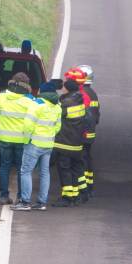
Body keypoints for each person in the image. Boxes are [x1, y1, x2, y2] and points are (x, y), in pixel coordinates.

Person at [11, 82, 63, 211]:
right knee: (45, 172)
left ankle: (25, 202)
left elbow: (28, 125)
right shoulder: (58, 107)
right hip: (48, 144)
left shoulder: (37, 105)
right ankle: (41, 202)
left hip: (34, 143)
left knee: (25, 171)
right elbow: (58, 127)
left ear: (42, 91)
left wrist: (27, 139)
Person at [0, 72, 34, 205]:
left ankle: (3, 196)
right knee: (21, 169)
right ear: (26, 84)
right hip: (21, 141)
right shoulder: (29, 101)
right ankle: (20, 197)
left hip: (5, 138)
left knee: (4, 167)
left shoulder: (2, 96)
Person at [52, 78, 88, 207]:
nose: (62, 89)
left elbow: (54, 116)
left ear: (67, 89)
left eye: (64, 87)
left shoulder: (66, 103)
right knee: (76, 169)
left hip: (65, 143)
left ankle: (67, 197)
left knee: (64, 169)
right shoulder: (80, 101)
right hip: (77, 143)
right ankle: (79, 194)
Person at [63, 68, 92, 202]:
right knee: (78, 167)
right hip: (80, 136)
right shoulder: (82, 96)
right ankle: (82, 192)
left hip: (74, 137)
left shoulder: (76, 98)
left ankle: (75, 195)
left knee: (73, 166)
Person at [77, 64, 100, 198]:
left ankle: (83, 188)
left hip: (82, 131)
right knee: (87, 158)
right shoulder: (93, 93)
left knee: (80, 160)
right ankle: (89, 185)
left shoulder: (82, 93)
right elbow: (97, 115)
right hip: (90, 131)